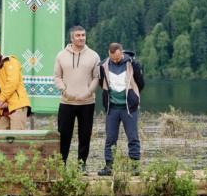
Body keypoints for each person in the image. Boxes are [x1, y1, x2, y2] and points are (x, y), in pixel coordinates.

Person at [53, 25, 100, 172]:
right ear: (72, 38)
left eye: (83, 35)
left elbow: (96, 77)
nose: (81, 38)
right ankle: (62, 164)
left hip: (87, 102)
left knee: (85, 134)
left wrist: (88, 93)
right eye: (78, 35)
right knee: (64, 134)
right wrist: (64, 91)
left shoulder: (94, 55)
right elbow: (57, 77)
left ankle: (82, 165)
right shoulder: (61, 55)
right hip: (67, 101)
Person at [97, 43, 145, 176]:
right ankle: (109, 167)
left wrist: (133, 96)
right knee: (110, 138)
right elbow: (102, 83)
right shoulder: (103, 65)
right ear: (109, 54)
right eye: (113, 58)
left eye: (118, 58)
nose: (115, 60)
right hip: (112, 108)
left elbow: (140, 83)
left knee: (133, 137)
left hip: (129, 108)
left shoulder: (133, 64)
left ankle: (135, 167)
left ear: (121, 52)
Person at [0, 43, 31, 130]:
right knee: (0, 139)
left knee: (17, 139)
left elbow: (12, 82)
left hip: (17, 106)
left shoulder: (11, 61)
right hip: (1, 110)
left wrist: (1, 99)